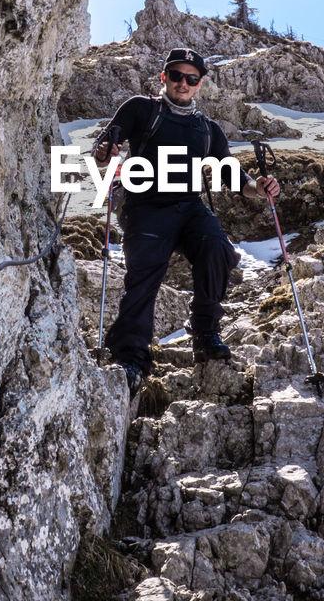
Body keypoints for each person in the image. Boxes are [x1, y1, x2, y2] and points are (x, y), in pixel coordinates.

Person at [92, 46, 280, 391]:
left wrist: (260, 187)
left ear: (199, 84)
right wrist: (106, 154)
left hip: (190, 208)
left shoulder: (207, 129)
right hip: (144, 207)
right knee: (144, 274)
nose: (183, 83)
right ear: (164, 77)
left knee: (218, 249)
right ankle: (130, 358)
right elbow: (104, 149)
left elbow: (234, 177)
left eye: (191, 79)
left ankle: (205, 333)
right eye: (177, 75)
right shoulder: (141, 109)